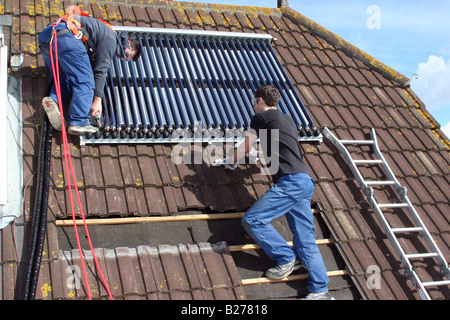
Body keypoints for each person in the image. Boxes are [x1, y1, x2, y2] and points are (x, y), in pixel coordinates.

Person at [215, 85, 334, 300]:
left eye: (254, 101)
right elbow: (281, 148)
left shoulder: (260, 118)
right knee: (306, 240)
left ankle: (286, 257)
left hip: (290, 183)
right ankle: (320, 291)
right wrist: (255, 155)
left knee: (253, 220)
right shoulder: (287, 119)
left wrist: (230, 161)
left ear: (260, 100)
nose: (253, 105)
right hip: (304, 181)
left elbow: (246, 144)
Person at [38, 7, 141, 135]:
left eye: (125, 59)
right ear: (128, 43)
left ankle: (54, 101)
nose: (121, 58)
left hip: (48, 38)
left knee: (66, 78)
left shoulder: (99, 37)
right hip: (67, 36)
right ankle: (79, 121)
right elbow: (100, 71)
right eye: (126, 55)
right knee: (86, 79)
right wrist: (98, 100)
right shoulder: (111, 39)